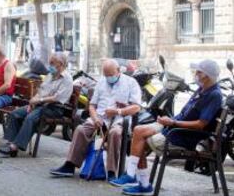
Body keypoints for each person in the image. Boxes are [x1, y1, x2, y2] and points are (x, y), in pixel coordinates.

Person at [111, 59, 222, 196]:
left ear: (206, 75)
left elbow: (200, 124)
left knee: (140, 139)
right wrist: (168, 121)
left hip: (183, 136)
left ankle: (141, 182)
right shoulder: (202, 89)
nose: (196, 74)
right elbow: (185, 114)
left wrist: (173, 123)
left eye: (199, 72)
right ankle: (134, 176)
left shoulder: (214, 95)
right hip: (174, 127)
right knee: (138, 130)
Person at [50, 59, 141, 178]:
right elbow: (92, 105)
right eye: (106, 75)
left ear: (118, 71)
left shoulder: (131, 83)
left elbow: (137, 107)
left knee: (114, 133)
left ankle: (111, 171)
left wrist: (118, 111)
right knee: (80, 130)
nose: (108, 78)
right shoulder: (102, 81)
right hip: (99, 121)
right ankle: (70, 165)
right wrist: (95, 118)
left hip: (118, 121)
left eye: (111, 75)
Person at [0, 52, 73, 157]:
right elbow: (41, 91)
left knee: (30, 117)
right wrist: (33, 101)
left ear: (60, 63)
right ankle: (11, 143)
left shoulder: (67, 79)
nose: (49, 65)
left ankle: (15, 146)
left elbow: (56, 98)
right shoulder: (50, 75)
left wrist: (39, 100)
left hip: (55, 108)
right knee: (15, 114)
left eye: (52, 63)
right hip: (41, 104)